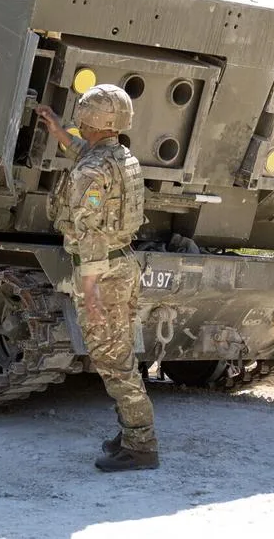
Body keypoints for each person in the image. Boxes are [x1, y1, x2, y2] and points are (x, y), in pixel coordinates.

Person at [35, 84, 159, 472]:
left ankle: (141, 446)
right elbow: (84, 153)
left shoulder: (91, 169)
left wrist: (88, 285)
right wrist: (56, 130)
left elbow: (88, 228)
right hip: (123, 265)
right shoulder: (121, 157)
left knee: (113, 362)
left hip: (101, 273)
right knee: (121, 356)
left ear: (89, 119)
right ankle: (129, 433)